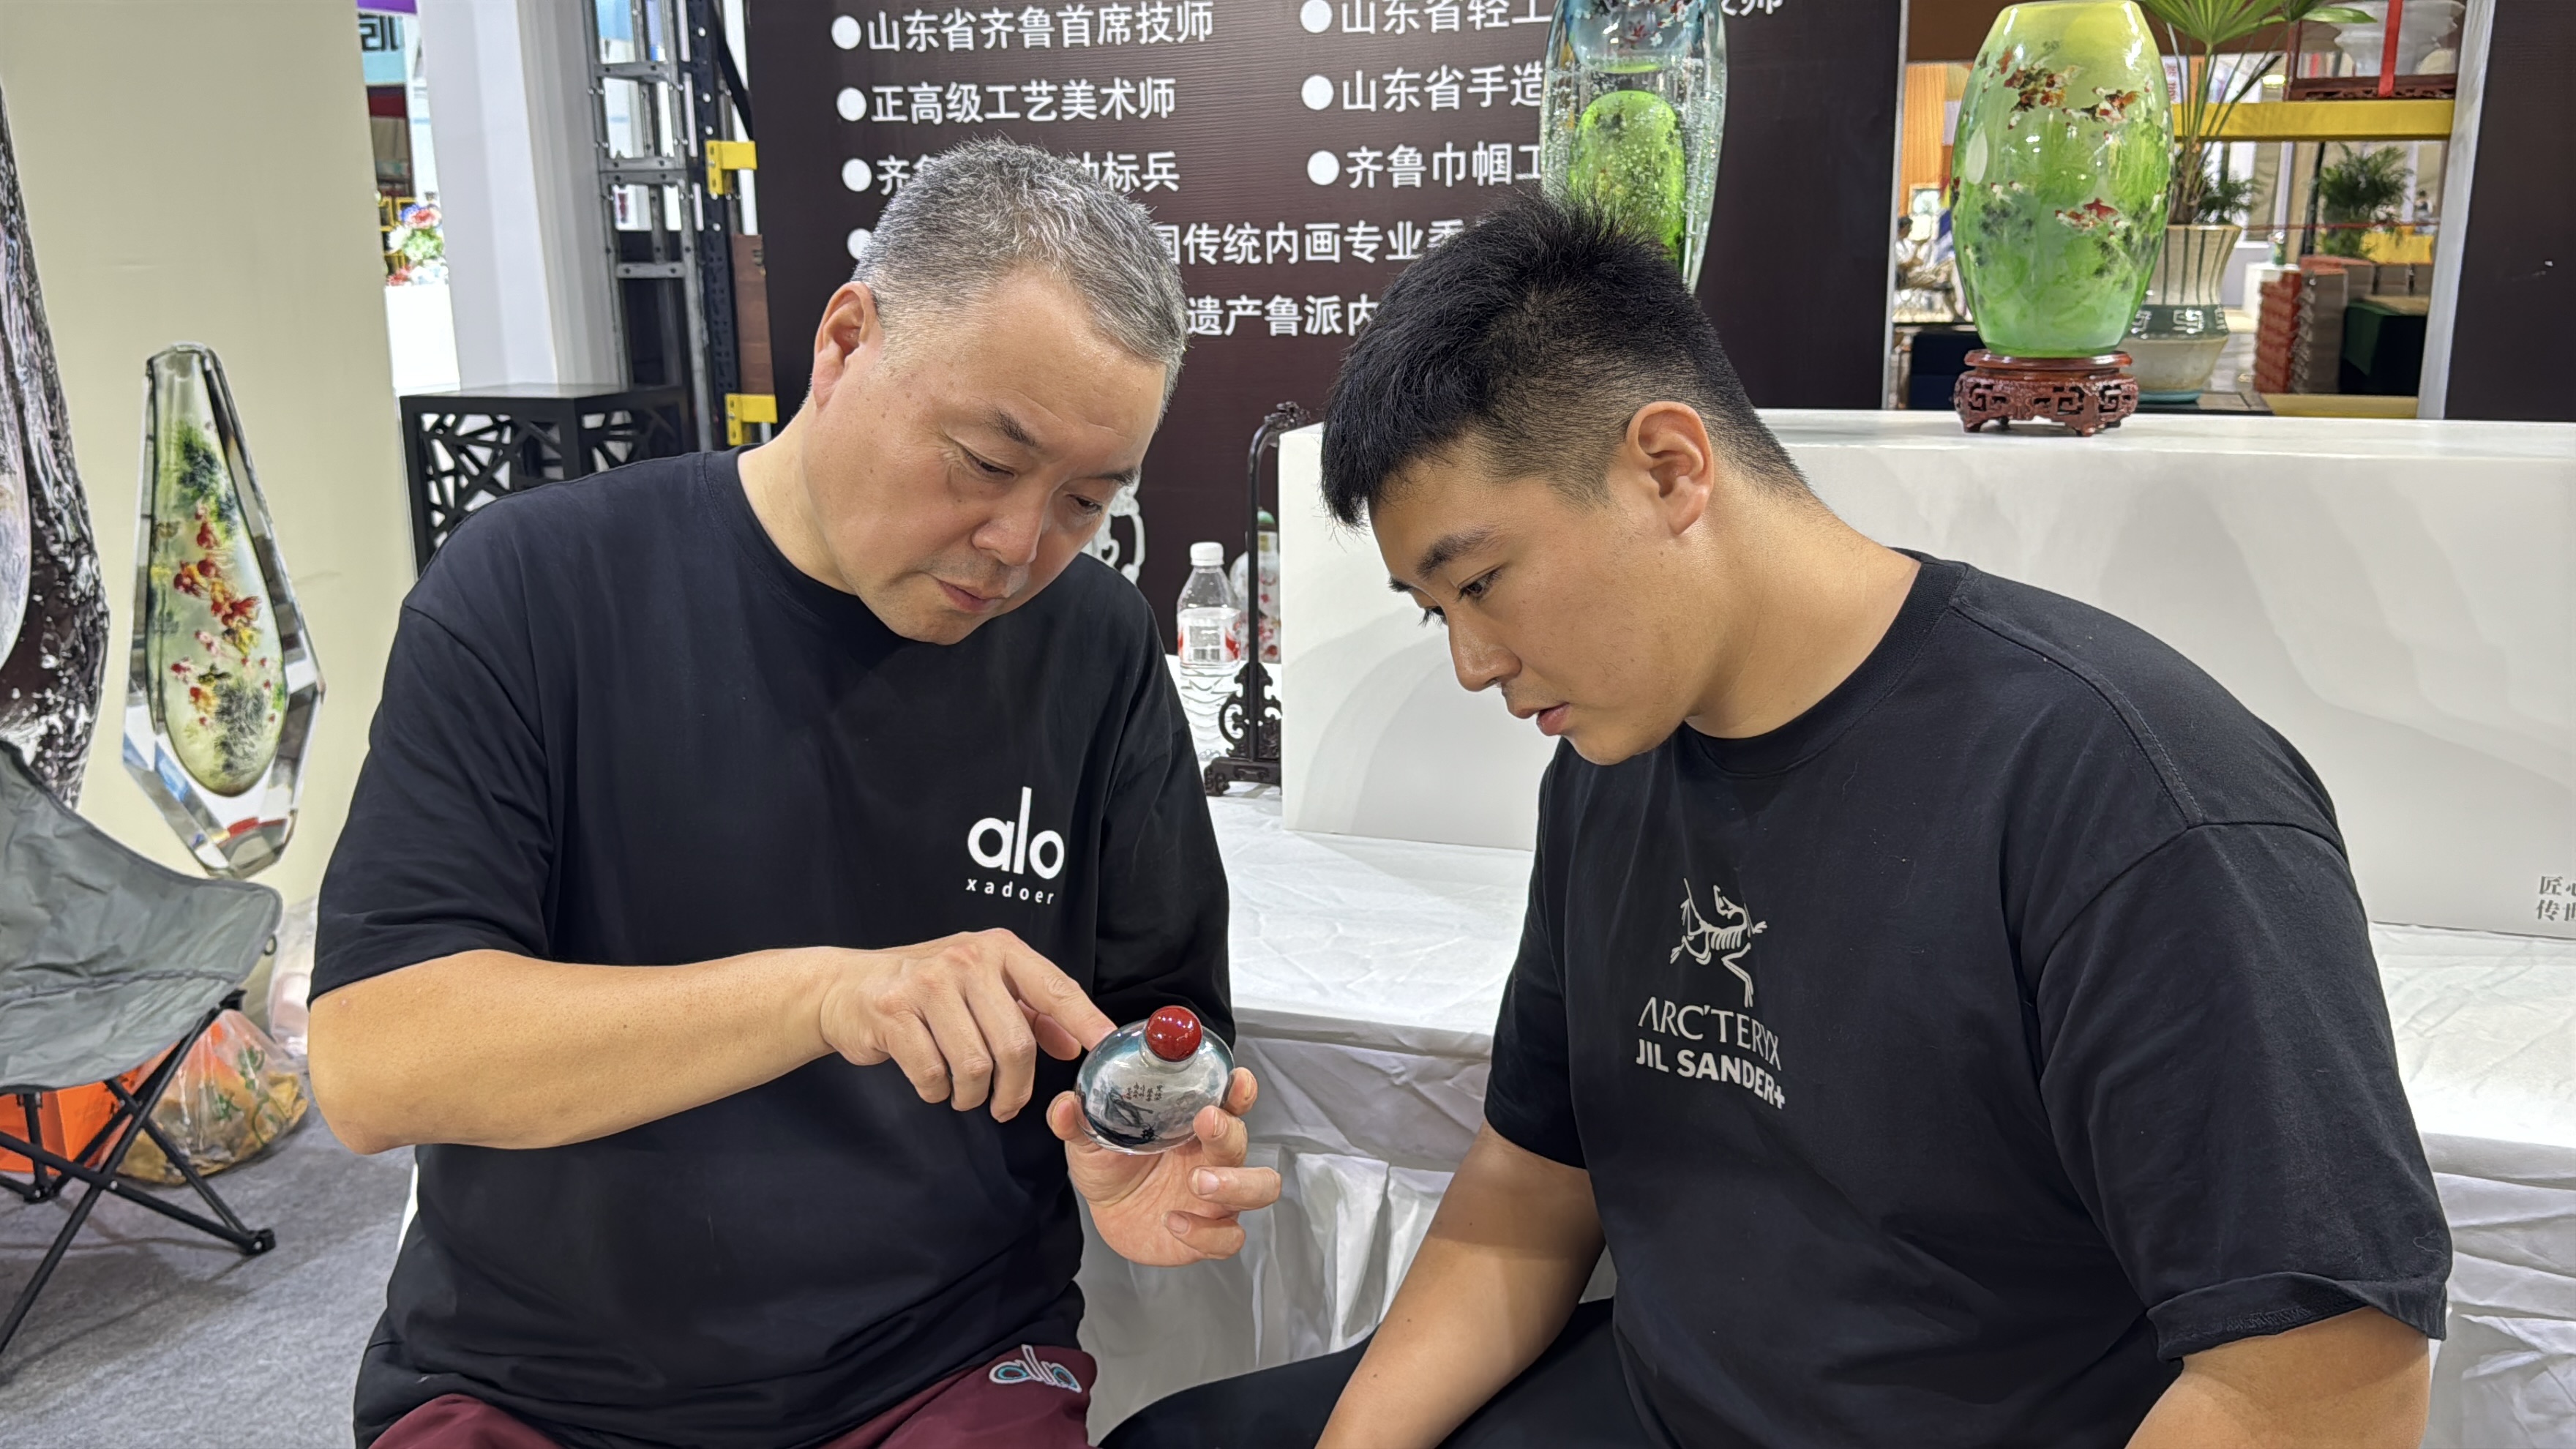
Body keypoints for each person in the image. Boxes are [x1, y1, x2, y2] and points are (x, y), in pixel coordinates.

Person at [1109, 196, 2447, 1448]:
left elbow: (2326, 1375)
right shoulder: (1612, 759)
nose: (1472, 663)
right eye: (1435, 612)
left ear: (1668, 467)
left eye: (1485, 582)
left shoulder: (2127, 792)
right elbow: (1530, 1192)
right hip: (1660, 1401)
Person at [308, 141, 1279, 1449]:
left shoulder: (1094, 645)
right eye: (985, 462)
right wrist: (827, 997)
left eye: (1084, 503)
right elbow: (375, 1062)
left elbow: (1157, 1016)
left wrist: (1138, 1131)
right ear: (844, 341)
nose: (1017, 546)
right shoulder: (537, 588)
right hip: (540, 1378)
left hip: (940, 1362)